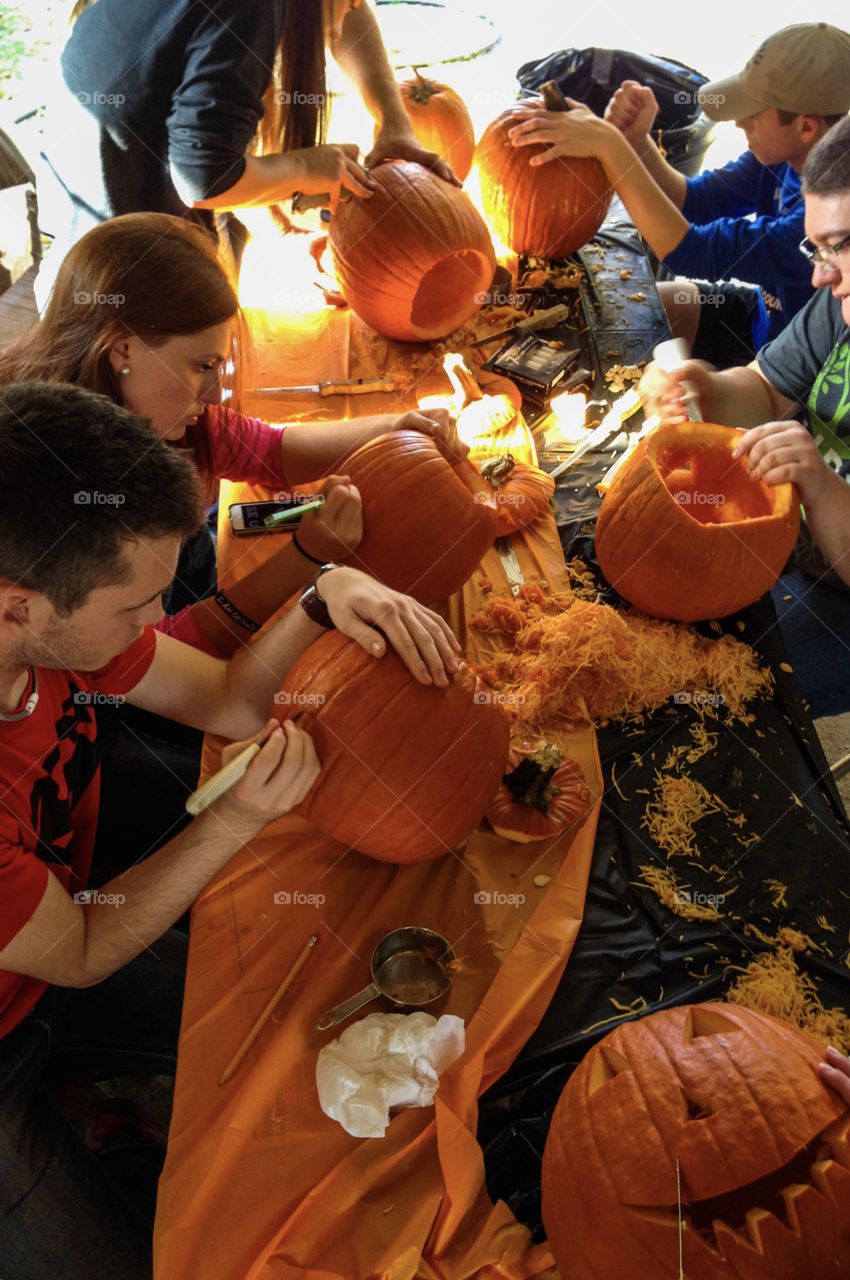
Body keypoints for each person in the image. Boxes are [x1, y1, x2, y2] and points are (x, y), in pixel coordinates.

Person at [0, 378, 460, 1279]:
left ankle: (112, 1121)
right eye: (134, 608)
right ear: (18, 604)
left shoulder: (53, 625)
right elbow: (85, 946)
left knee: (292, 1020)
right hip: (31, 990)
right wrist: (238, 819)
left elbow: (223, 698)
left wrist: (326, 593)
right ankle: (110, 1137)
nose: (153, 625)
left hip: (55, 911)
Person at [0, 212, 464, 658]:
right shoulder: (62, 492)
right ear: (122, 349)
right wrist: (306, 558)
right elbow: (147, 654)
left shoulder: (152, 410)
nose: (216, 393)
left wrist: (396, 428)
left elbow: (270, 452)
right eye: (201, 366)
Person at [35, 0, 456, 306]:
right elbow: (203, 176)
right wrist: (308, 166)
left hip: (96, 248)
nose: (358, 6)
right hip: (116, 295)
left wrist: (395, 124)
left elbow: (200, 133)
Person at [639, 115, 850, 716]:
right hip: (797, 541)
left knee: (703, 700)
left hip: (841, 599)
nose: (820, 274)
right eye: (817, 245)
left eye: (843, 245)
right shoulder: (840, 305)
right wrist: (701, 383)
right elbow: (762, 387)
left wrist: (816, 482)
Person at [507, 23, 850, 367]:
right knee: (636, 310)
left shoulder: (832, 225)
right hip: (766, 316)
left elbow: (692, 252)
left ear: (807, 127)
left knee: (674, 384)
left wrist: (608, 146)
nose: (738, 122)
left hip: (796, 366)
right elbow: (697, 201)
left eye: (754, 113)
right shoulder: (780, 158)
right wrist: (636, 142)